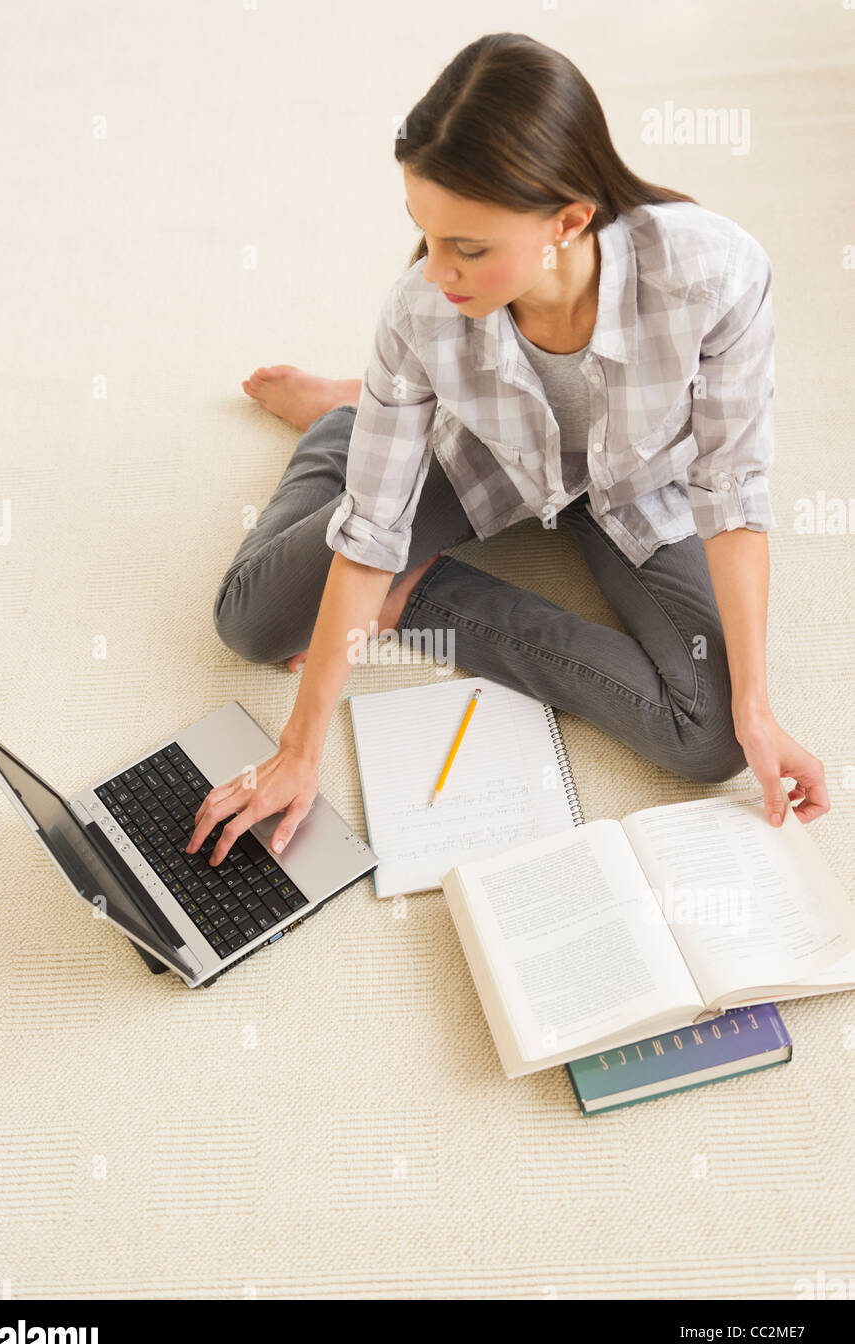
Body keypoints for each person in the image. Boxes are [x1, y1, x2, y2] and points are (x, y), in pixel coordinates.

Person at [188, 32, 828, 870]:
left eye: (471, 248)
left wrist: (758, 707)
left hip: (639, 486)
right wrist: (299, 752)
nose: (438, 271)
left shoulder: (716, 275)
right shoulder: (422, 310)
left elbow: (732, 489)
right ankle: (347, 421)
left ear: (568, 221)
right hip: (482, 453)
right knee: (252, 621)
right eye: (426, 232)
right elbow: (374, 527)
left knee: (711, 741)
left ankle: (405, 554)